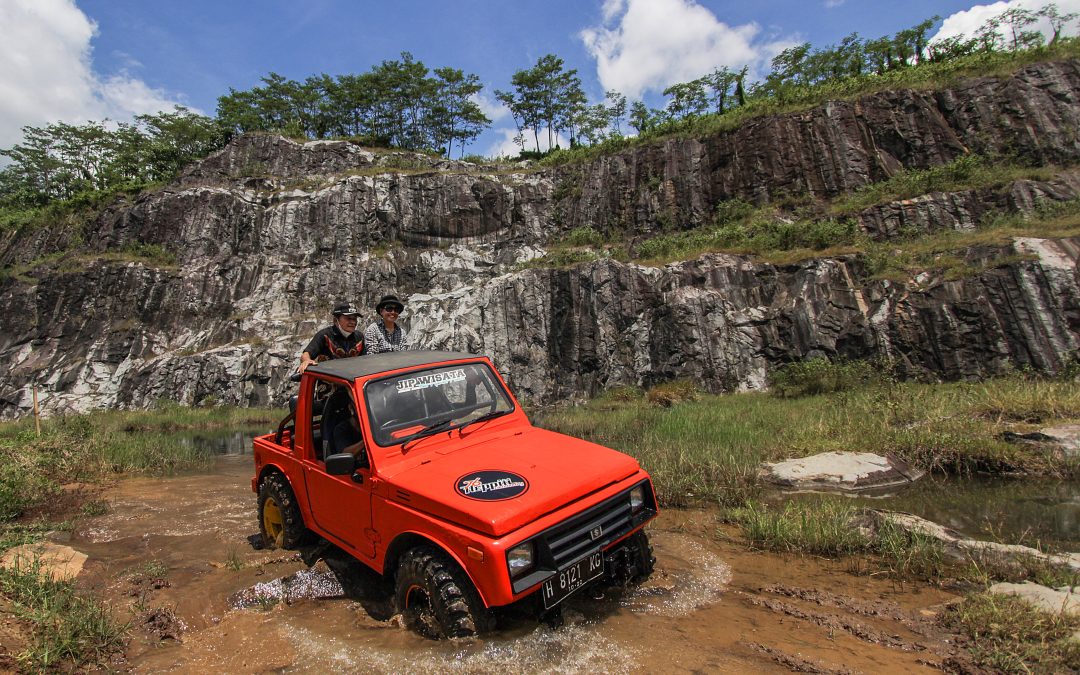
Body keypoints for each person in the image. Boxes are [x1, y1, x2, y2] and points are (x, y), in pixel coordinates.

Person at [299, 303, 365, 373]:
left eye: (354, 319)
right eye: (348, 318)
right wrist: (306, 361)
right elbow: (306, 354)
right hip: (327, 379)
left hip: (351, 380)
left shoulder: (359, 337)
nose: (353, 322)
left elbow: (364, 359)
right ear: (336, 320)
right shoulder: (324, 335)